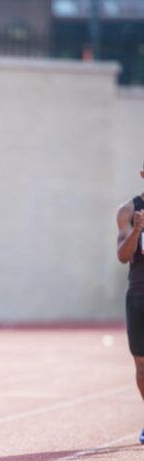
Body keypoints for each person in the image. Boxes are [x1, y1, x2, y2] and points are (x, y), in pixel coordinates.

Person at [116, 163, 144, 445]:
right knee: (141, 367)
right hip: (139, 295)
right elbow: (123, 256)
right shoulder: (128, 211)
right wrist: (137, 230)